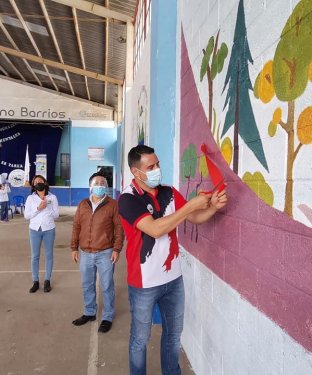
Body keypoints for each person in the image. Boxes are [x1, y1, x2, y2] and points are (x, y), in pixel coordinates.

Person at [118, 145, 228, 375]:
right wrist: (190, 206)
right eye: (151, 167)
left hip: (173, 279)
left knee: (173, 335)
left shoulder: (168, 191)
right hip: (144, 283)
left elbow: (196, 217)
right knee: (140, 338)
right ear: (136, 172)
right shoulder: (128, 199)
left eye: (157, 164)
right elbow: (155, 229)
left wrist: (213, 208)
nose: (157, 169)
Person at [71, 172, 124, 333]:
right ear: (91, 186)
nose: (101, 185)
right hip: (85, 253)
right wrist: (73, 247)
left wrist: (116, 249)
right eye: (98, 183)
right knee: (87, 284)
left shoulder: (113, 204)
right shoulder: (83, 204)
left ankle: (107, 316)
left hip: (105, 252)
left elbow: (119, 228)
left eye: (104, 183)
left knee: (107, 285)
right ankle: (89, 312)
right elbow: (76, 226)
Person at [24, 175, 59, 293]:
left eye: (40, 181)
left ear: (45, 182)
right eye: (36, 182)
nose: (38, 183)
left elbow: (56, 215)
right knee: (35, 256)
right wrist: (38, 208)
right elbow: (26, 216)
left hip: (49, 229)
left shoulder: (52, 197)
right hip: (34, 230)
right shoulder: (30, 198)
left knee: (49, 256)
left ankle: (47, 281)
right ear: (33, 185)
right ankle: (35, 281)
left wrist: (47, 207)